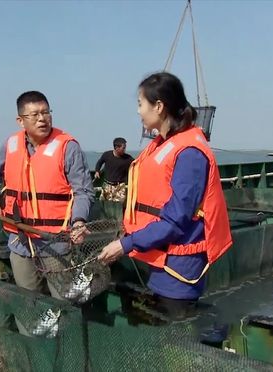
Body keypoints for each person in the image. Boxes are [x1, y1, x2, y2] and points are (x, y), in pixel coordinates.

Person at [98, 72, 232, 320]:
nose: (138, 112)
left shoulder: (189, 153)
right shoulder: (162, 143)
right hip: (158, 257)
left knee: (174, 342)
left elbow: (175, 220)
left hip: (178, 269)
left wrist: (124, 244)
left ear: (159, 106)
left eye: (140, 104)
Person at [0, 91, 94, 298]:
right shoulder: (11, 144)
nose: (42, 118)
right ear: (20, 121)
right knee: (29, 301)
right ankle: (30, 331)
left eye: (46, 112)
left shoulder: (67, 146)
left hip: (55, 241)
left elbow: (84, 191)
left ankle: (67, 331)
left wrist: (79, 221)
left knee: (65, 300)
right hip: (19, 240)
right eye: (34, 115)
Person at [94, 137, 134, 203]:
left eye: (125, 148)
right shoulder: (107, 155)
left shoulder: (128, 158)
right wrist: (97, 171)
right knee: (103, 206)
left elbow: (136, 164)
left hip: (120, 187)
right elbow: (99, 162)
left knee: (119, 207)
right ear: (116, 148)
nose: (125, 150)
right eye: (123, 148)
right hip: (107, 186)